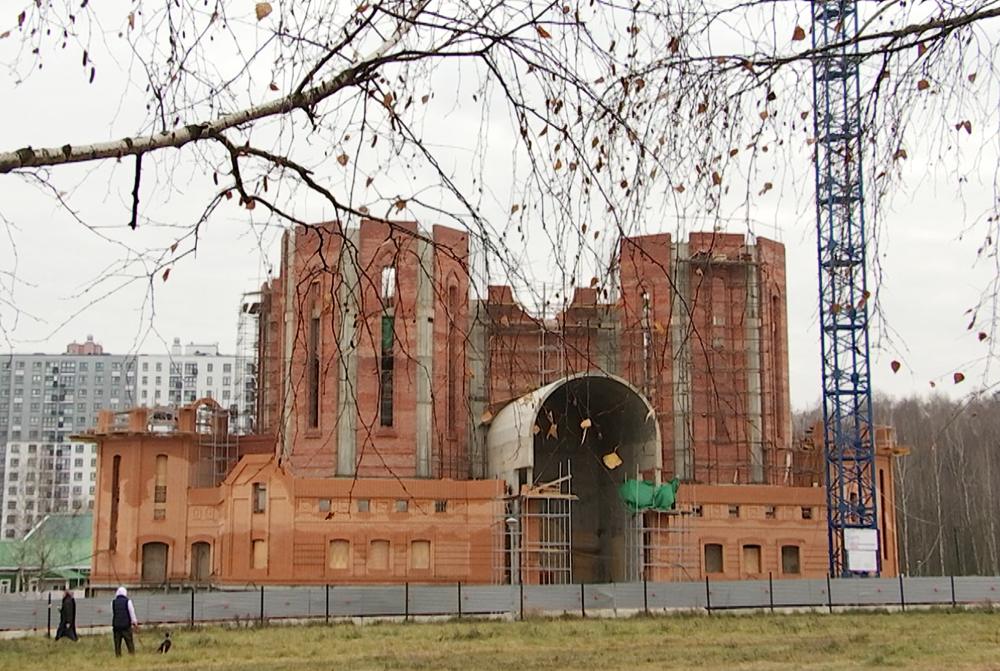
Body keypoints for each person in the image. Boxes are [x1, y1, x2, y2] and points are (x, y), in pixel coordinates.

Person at [111, 586, 138, 656]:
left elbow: (114, 612)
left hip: (116, 625)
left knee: (117, 642)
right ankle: (132, 654)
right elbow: (131, 611)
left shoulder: (113, 602)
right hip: (125, 625)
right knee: (129, 641)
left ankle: (118, 655)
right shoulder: (128, 601)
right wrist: (134, 621)